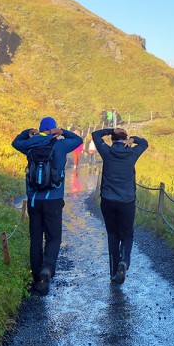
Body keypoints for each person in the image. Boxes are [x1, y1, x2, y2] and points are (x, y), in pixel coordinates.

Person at [12, 117, 83, 296]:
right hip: (54, 199)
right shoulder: (60, 145)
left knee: (36, 237)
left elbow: (15, 142)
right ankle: (47, 269)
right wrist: (62, 132)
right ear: (53, 129)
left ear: (40, 129)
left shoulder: (29, 144)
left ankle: (37, 277)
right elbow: (78, 140)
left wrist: (27, 132)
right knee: (53, 237)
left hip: (34, 199)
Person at [92, 127, 149, 284]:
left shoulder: (107, 152)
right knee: (127, 234)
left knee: (112, 235)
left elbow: (95, 135)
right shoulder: (132, 153)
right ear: (125, 139)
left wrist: (110, 129)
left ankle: (113, 273)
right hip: (127, 201)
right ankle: (124, 262)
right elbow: (145, 143)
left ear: (112, 138)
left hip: (108, 200)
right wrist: (133, 140)